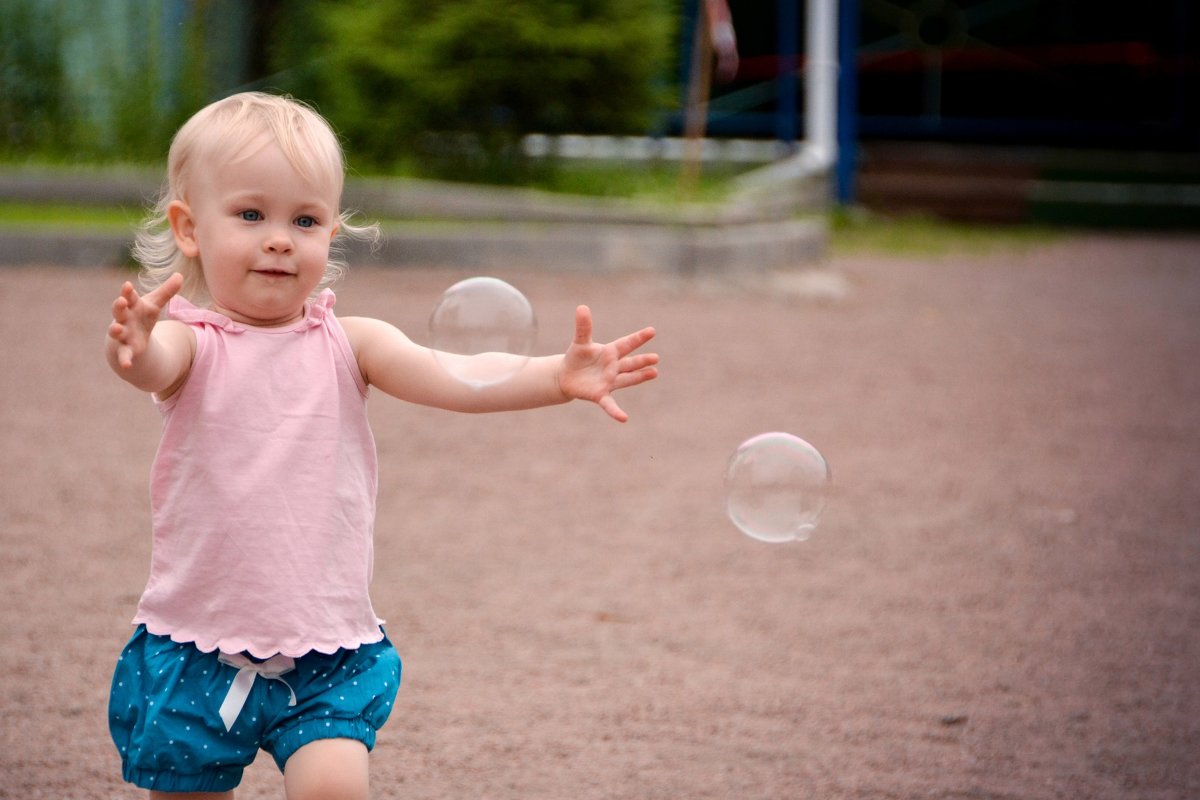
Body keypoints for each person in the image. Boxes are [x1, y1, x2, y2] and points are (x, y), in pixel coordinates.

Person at [104, 91, 659, 800]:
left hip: (325, 647)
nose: (280, 238)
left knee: (336, 788)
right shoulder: (192, 343)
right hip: (199, 643)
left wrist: (557, 374)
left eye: (304, 220)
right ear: (188, 228)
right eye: (251, 215)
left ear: (331, 231)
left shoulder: (350, 342)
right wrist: (134, 348)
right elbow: (154, 366)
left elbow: (456, 375)